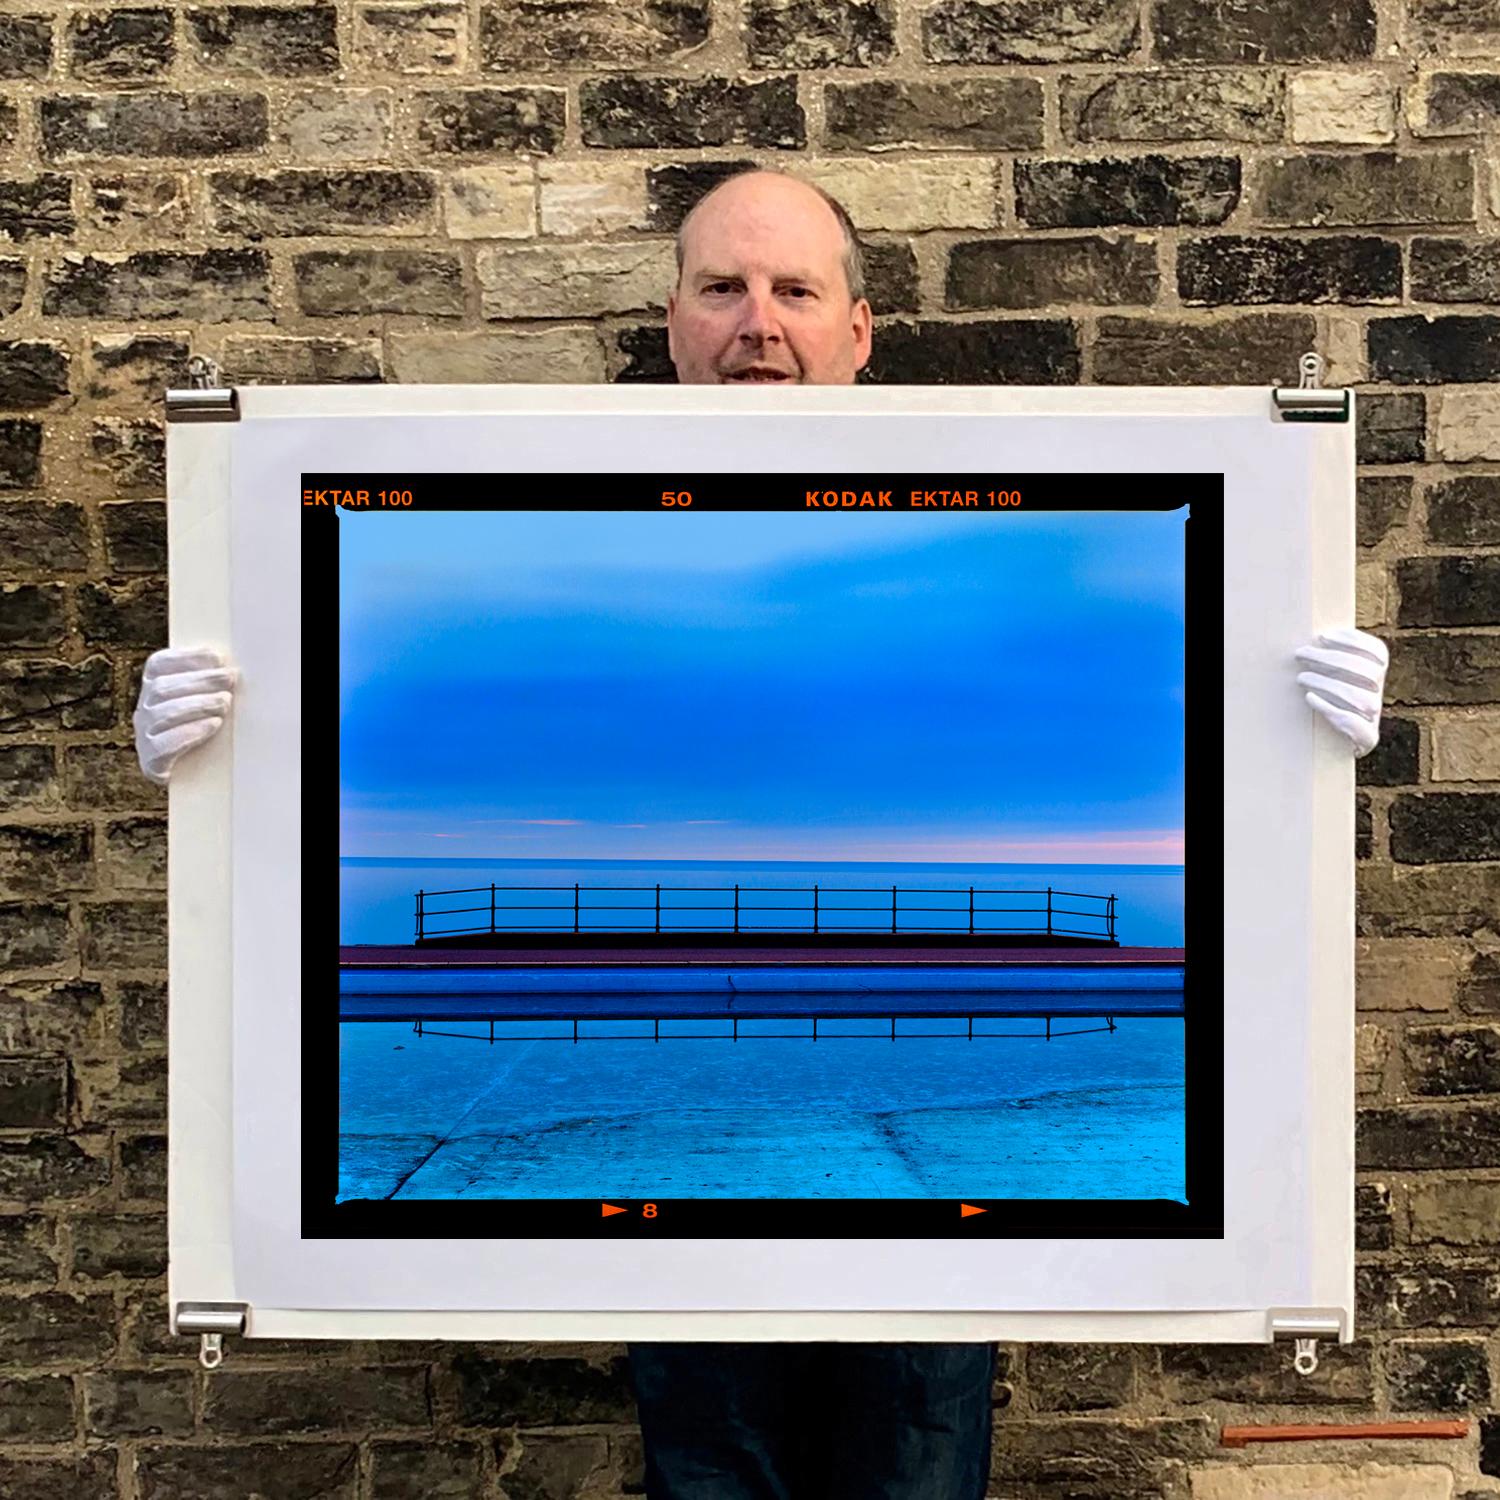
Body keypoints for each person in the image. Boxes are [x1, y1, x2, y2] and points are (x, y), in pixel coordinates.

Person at [135, 169, 1390, 1499]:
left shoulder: (1015, 507)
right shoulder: (530, 499)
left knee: (912, 1462)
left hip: (930, 1259)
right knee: (711, 1461)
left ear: (859, 329)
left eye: (795, 290)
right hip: (673, 1200)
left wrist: (1292, 740)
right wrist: (223, 766)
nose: (758, 323)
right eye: (724, 289)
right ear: (671, 320)